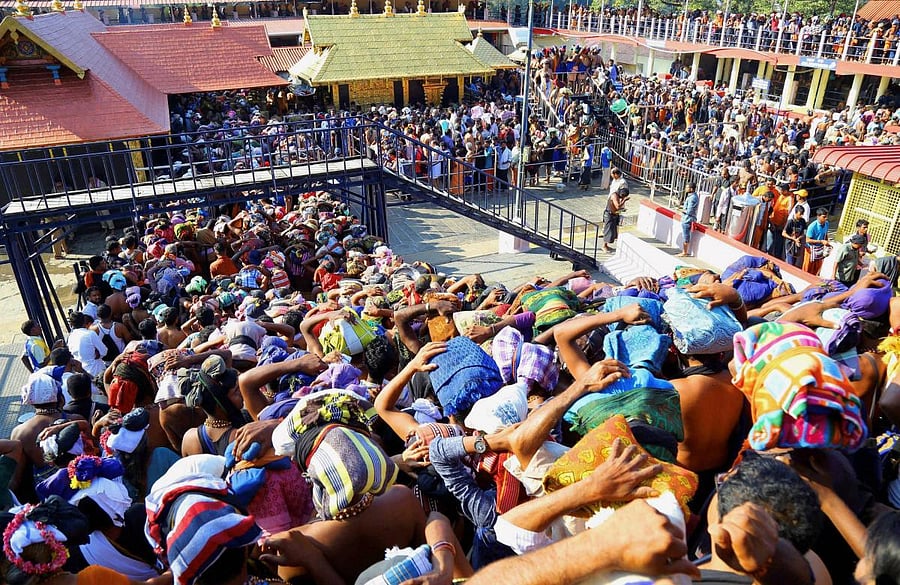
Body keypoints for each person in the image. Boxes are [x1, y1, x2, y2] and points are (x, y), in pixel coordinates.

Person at [803, 207, 831, 276]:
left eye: (826, 216)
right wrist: (821, 241)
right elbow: (807, 240)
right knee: (808, 267)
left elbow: (825, 234)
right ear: (818, 216)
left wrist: (827, 242)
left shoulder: (826, 224)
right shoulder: (812, 226)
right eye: (824, 217)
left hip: (820, 249)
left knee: (817, 268)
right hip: (810, 249)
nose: (826, 218)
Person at [603, 186, 629, 253]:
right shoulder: (614, 196)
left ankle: (606, 245)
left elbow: (617, 207)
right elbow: (617, 206)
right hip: (609, 215)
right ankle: (604, 246)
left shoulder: (617, 195)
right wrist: (624, 200)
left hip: (614, 214)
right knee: (608, 231)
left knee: (612, 231)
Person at [678, 182, 699, 257]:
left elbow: (689, 211)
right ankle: (684, 251)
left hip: (687, 219)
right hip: (687, 218)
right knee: (685, 235)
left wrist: (681, 210)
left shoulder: (692, 198)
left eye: (687, 187)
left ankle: (684, 252)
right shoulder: (692, 196)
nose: (686, 189)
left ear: (691, 189)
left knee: (686, 236)